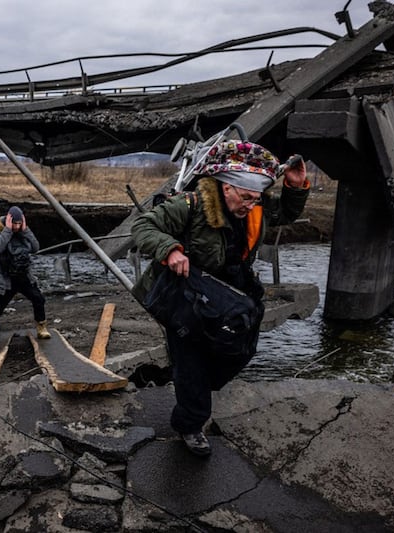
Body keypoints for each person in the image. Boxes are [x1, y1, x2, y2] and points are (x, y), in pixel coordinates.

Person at [131, 139, 309, 456]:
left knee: (241, 349)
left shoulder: (255, 206)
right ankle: (190, 425)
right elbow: (144, 226)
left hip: (233, 292)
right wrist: (169, 249)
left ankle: (202, 387)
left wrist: (296, 188)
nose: (251, 205)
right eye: (245, 197)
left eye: (256, 199)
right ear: (226, 188)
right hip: (188, 292)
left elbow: (282, 213)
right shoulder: (191, 204)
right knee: (190, 360)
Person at [0, 206, 50, 344]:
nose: (17, 226)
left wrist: (26, 230)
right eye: (15, 223)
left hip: (23, 275)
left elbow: (36, 247)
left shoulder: (23, 231)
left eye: (19, 224)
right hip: (5, 277)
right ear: (9, 221)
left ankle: (41, 327)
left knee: (38, 299)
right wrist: (7, 230)